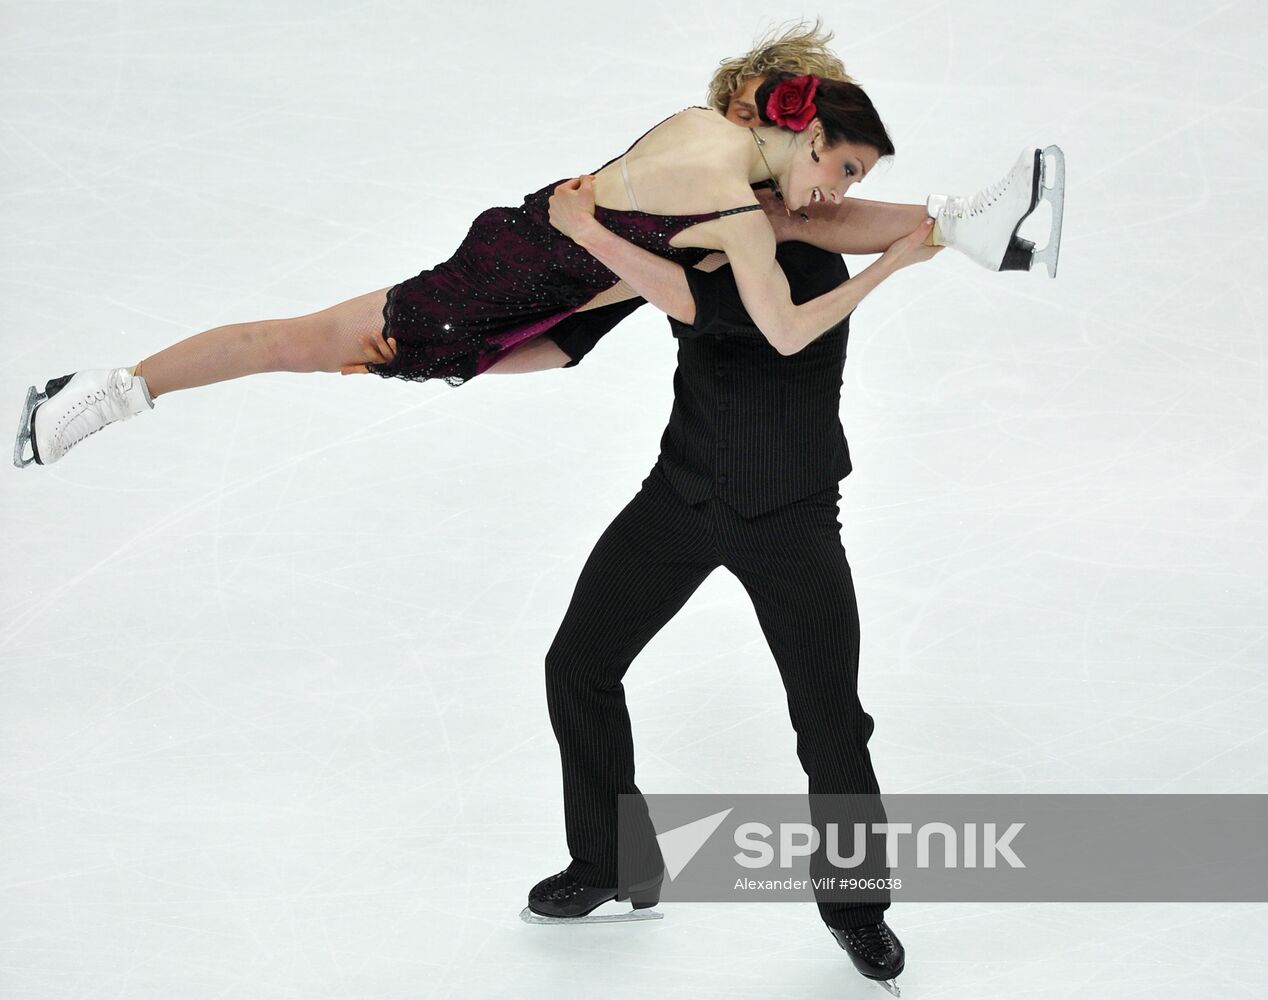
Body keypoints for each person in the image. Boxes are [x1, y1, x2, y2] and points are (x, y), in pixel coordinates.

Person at [14, 22, 996, 470]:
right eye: (845, 167)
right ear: (802, 129)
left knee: (785, 225)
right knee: (307, 342)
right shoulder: (719, 175)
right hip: (509, 278)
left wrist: (924, 232)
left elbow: (787, 221)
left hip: (568, 301)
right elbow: (779, 329)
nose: (840, 192)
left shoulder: (743, 170)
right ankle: (103, 393)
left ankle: (965, 220)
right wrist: (894, 265)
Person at [523, 132, 927, 995]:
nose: (835, 190)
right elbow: (569, 336)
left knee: (830, 724)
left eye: (848, 178)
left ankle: (858, 911)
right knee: (579, 665)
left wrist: (595, 232)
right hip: (683, 497)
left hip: (792, 519)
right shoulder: (702, 233)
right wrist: (445, 364)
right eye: (835, 167)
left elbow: (712, 306)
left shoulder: (805, 267)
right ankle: (611, 862)